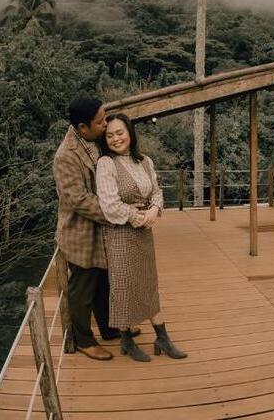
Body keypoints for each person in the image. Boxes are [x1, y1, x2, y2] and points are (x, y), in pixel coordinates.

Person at [52, 97, 140, 361]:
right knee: (83, 288)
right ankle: (83, 340)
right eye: (100, 121)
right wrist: (117, 211)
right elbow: (77, 199)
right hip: (80, 230)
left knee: (104, 281)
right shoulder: (66, 156)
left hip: (101, 229)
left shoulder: (94, 138)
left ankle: (110, 329)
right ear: (82, 127)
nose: (105, 124)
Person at [96, 113, 187, 362]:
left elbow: (156, 192)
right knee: (124, 286)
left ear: (130, 133)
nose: (115, 139)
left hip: (145, 234)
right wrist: (139, 218)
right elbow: (109, 206)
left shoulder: (145, 161)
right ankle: (126, 340)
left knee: (149, 284)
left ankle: (162, 338)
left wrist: (155, 210)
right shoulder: (106, 163)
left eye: (120, 132)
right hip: (120, 234)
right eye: (109, 135)